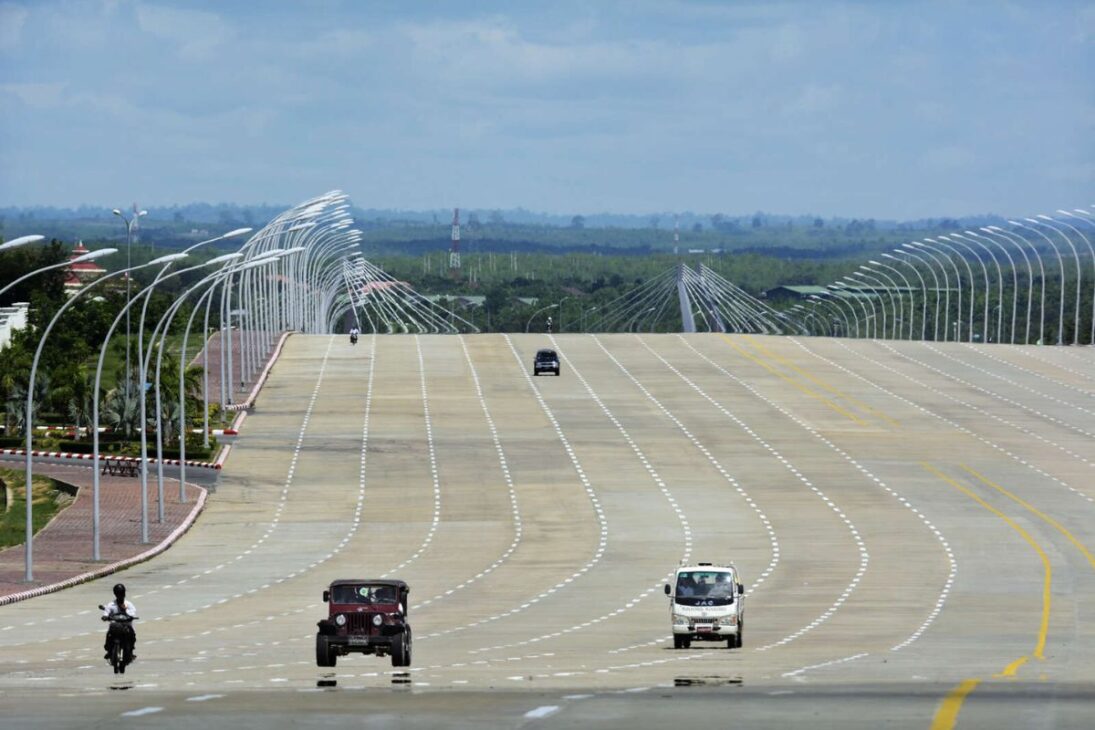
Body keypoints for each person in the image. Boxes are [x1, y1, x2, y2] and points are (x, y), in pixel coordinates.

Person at [102, 583, 138, 661]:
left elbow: (133, 613)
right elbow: (106, 612)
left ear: (124, 593)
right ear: (115, 594)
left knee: (132, 634)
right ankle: (109, 650)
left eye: (122, 593)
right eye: (118, 594)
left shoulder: (128, 604)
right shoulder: (111, 605)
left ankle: (131, 651)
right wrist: (105, 616)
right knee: (109, 634)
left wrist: (126, 611)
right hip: (115, 626)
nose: (120, 595)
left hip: (126, 626)